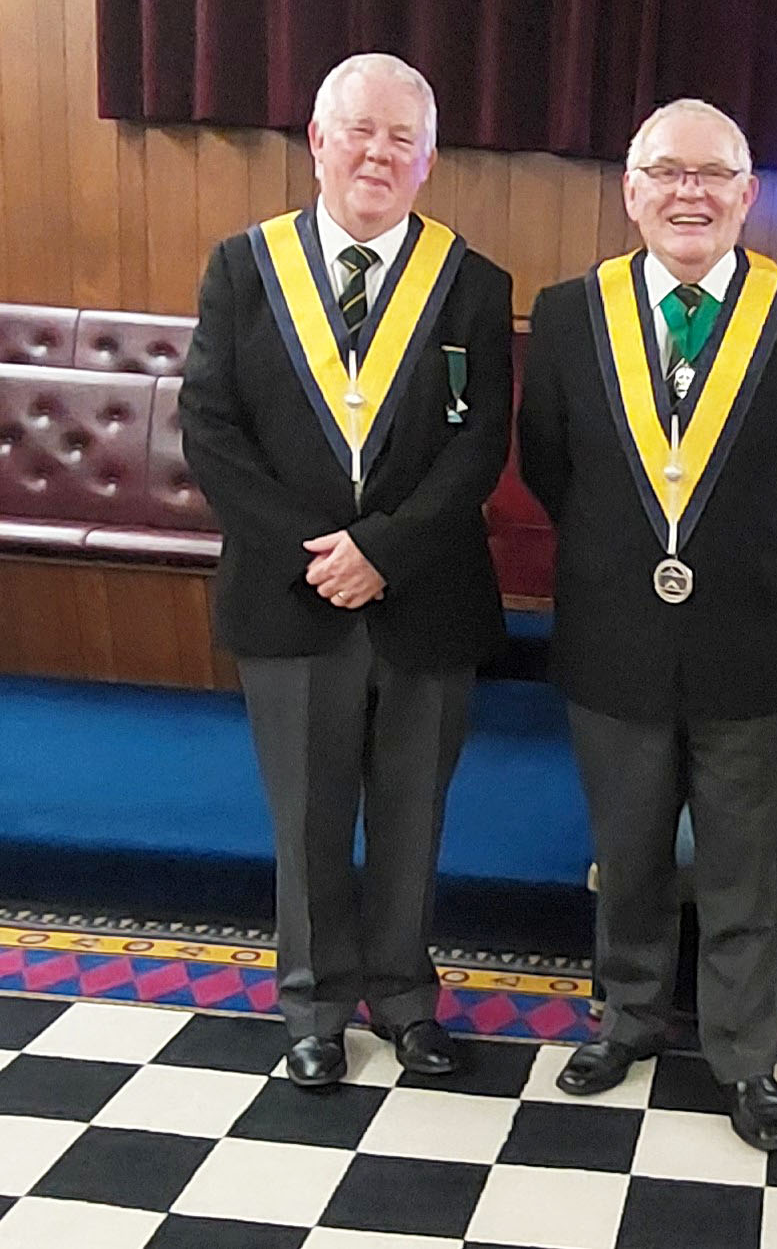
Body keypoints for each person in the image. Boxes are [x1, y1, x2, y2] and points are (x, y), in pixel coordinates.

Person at [517, 98, 777, 1151]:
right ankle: (626, 1017)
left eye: (714, 175)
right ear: (631, 190)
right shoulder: (572, 313)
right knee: (627, 850)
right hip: (615, 632)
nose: (689, 193)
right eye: (666, 172)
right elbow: (548, 467)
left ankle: (744, 1054)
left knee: (743, 863)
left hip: (748, 641)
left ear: (749, 195)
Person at [179, 52, 512, 1087]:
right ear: (317, 141)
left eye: (401, 138)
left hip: (426, 595)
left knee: (414, 814)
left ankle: (407, 999)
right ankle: (315, 1005)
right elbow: (211, 427)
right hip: (294, 594)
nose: (378, 152)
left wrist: (385, 549)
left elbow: (480, 445)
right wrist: (320, 554)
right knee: (308, 813)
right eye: (359, 130)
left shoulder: (470, 282)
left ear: (429, 161)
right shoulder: (244, 267)